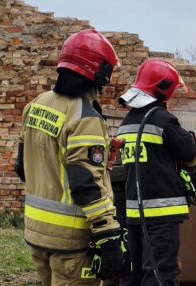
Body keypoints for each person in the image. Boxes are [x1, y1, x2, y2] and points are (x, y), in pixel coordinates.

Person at [16, 29, 126, 285]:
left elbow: (22, 166)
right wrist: (108, 233)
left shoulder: (36, 104)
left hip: (37, 233)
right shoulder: (84, 117)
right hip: (71, 239)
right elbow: (85, 183)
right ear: (100, 72)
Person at [116, 58, 196, 286]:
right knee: (160, 275)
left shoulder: (126, 123)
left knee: (136, 275)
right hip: (161, 215)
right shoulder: (163, 120)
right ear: (164, 91)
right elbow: (192, 156)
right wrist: (191, 140)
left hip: (134, 214)